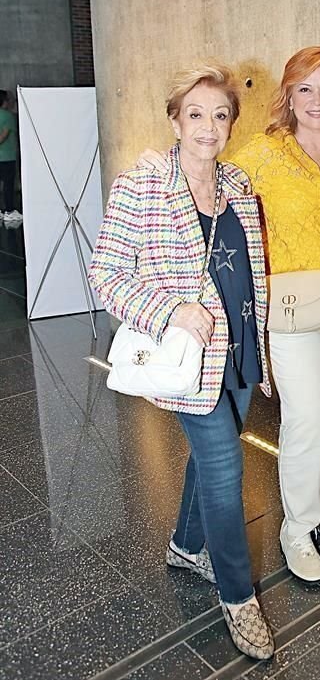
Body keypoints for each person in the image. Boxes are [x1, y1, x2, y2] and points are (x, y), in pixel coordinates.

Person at [138, 47, 320, 584]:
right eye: (305, 89)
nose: (317, 101)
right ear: (287, 96)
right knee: (308, 416)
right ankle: (297, 527)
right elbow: (202, 173)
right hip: (288, 309)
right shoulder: (264, 156)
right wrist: (159, 161)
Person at [89, 64, 274, 661]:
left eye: (220, 115)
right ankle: (238, 597)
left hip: (241, 345)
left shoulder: (239, 184)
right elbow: (106, 275)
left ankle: (185, 544)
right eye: (195, 114)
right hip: (190, 357)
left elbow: (250, 269)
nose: (208, 127)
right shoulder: (141, 185)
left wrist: (262, 338)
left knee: (214, 454)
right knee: (223, 466)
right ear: (175, 119)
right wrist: (169, 309)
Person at [0, 90, 21, 226]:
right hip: (7, 157)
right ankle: (9, 211)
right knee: (8, 185)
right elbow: (4, 135)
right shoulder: (8, 116)